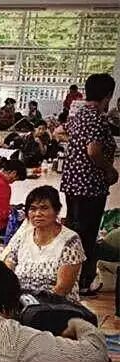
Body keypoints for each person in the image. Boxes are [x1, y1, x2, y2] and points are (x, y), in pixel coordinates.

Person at [61, 73, 117, 295]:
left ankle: (68, 276)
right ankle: (83, 281)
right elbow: (93, 151)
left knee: (73, 230)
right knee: (87, 233)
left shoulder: (79, 114)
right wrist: (109, 169)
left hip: (72, 182)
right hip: (90, 185)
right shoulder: (97, 118)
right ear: (108, 95)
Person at [3, 185, 85, 303]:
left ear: (56, 210)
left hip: (58, 305)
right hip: (22, 302)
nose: (37, 213)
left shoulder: (70, 240)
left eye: (44, 208)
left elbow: (62, 289)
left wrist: (33, 305)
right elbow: (7, 273)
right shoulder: (22, 237)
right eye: (32, 209)